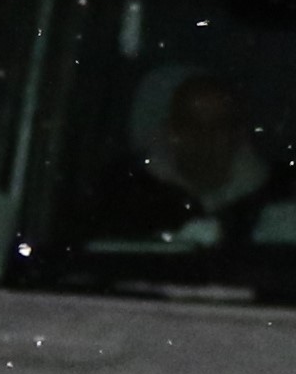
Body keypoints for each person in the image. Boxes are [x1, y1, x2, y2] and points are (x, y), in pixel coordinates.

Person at [74, 69, 279, 247]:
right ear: (172, 132)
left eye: (219, 126)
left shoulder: (273, 204)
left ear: (238, 134)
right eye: (192, 125)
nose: (205, 137)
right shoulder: (125, 201)